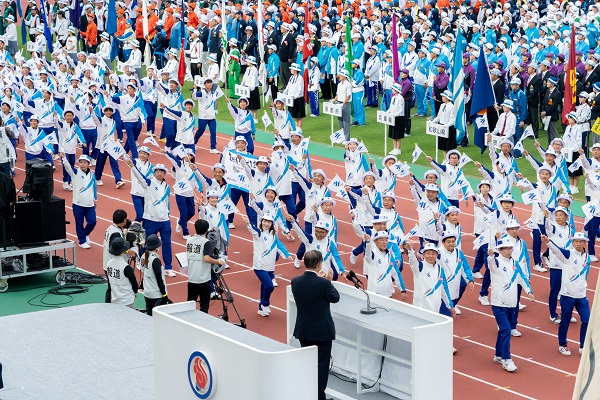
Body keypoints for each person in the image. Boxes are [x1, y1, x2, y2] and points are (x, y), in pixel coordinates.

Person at [291, 250, 340, 400]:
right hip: (322, 332)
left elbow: (310, 290)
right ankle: (319, 397)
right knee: (321, 366)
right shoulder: (324, 284)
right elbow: (335, 298)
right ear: (319, 264)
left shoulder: (295, 281)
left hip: (303, 330)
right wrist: (329, 281)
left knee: (307, 364)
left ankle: (307, 394)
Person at [487, 239, 534, 373]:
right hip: (498, 303)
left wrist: (529, 291)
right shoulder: (496, 262)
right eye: (505, 248)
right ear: (500, 250)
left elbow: (522, 278)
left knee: (503, 330)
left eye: (510, 248)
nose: (509, 250)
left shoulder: (515, 263)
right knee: (507, 329)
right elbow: (491, 265)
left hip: (512, 304)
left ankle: (498, 355)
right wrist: (490, 256)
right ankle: (506, 359)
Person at [59, 153, 97, 249]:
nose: (82, 164)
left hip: (90, 204)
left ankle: (85, 234)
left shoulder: (92, 175)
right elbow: (68, 167)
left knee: (92, 221)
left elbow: (94, 187)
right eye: (81, 162)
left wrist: (95, 199)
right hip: (78, 204)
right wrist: (64, 158)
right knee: (79, 223)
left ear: (88, 164)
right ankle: (82, 241)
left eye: (85, 162)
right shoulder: (75, 173)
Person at [186, 219, 224, 313]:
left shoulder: (189, 240)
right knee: (204, 306)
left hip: (191, 277)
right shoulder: (206, 242)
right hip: (203, 278)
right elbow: (206, 258)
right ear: (207, 230)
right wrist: (218, 261)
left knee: (190, 304)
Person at [141, 234, 172, 316]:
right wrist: (164, 295)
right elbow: (159, 279)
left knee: (149, 316)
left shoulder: (144, 256)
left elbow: (143, 271)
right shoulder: (155, 260)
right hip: (156, 294)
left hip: (147, 293)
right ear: (156, 247)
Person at [106, 237, 139, 308]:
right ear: (123, 251)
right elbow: (134, 283)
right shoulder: (126, 267)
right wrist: (135, 292)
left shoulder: (109, 263)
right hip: (126, 300)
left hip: (114, 299)